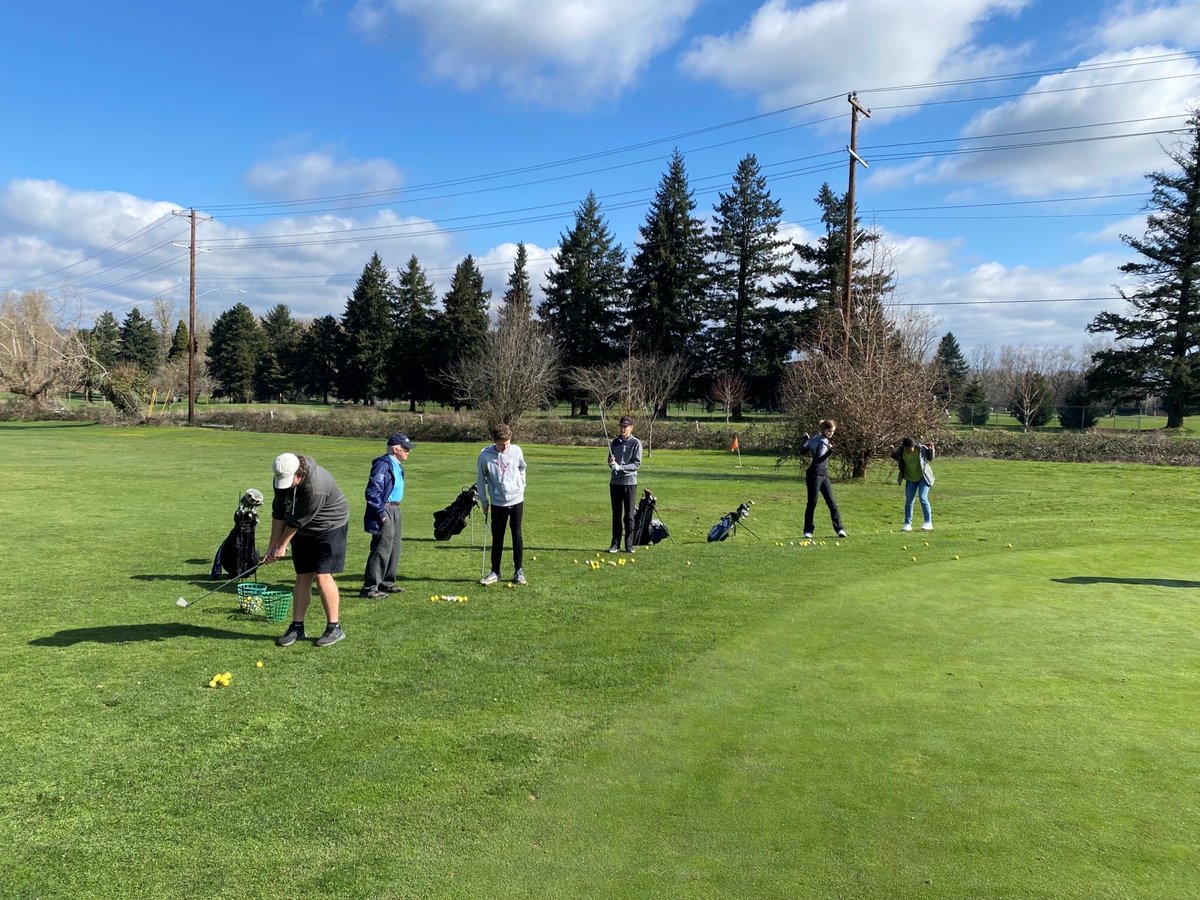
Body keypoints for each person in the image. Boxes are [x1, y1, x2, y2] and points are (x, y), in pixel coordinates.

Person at [265, 452, 350, 648]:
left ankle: (334, 627)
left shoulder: (316, 486)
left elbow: (296, 521)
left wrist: (282, 545)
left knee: (321, 575)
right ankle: (297, 627)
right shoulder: (281, 475)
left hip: (329, 527)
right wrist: (271, 546)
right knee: (302, 575)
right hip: (302, 529)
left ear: (299, 473)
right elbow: (279, 513)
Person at [360, 432, 413, 599]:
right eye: (406, 448)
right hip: (385, 509)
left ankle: (387, 583)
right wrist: (381, 513)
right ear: (396, 449)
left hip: (396, 509)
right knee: (381, 549)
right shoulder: (383, 465)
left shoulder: (397, 465)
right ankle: (370, 587)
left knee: (394, 548)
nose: (408, 451)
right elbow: (372, 492)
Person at [476, 423, 527, 586]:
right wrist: (483, 500)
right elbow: (480, 478)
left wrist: (521, 486)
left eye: (507, 443)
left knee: (516, 534)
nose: (505, 447)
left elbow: (522, 468)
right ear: (494, 441)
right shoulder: (485, 455)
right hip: (497, 502)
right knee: (497, 537)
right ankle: (495, 571)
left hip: (517, 499)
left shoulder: (517, 451)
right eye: (502, 444)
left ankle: (518, 571)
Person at [799, 418, 846, 539]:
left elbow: (803, 450)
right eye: (829, 431)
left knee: (832, 503)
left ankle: (840, 529)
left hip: (824, 475)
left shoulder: (814, 439)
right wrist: (830, 452)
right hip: (814, 475)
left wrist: (806, 440)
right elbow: (818, 459)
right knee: (812, 503)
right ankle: (808, 531)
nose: (831, 433)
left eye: (833, 431)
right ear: (824, 430)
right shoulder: (823, 441)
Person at [607, 415, 642, 553]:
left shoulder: (636, 443)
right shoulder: (614, 442)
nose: (623, 429)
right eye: (621, 426)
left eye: (625, 427)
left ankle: (629, 544)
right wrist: (612, 463)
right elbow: (610, 461)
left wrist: (620, 467)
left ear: (631, 428)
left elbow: (636, 464)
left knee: (629, 515)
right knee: (616, 514)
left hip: (629, 482)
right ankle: (615, 544)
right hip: (615, 483)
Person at [891, 436, 936, 531]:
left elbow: (930, 458)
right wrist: (893, 451)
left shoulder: (921, 449)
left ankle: (928, 523)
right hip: (910, 478)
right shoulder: (902, 451)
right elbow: (897, 458)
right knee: (909, 501)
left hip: (923, 477)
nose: (907, 450)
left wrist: (931, 449)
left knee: (923, 498)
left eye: (909, 448)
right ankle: (907, 524)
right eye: (906, 448)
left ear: (914, 446)